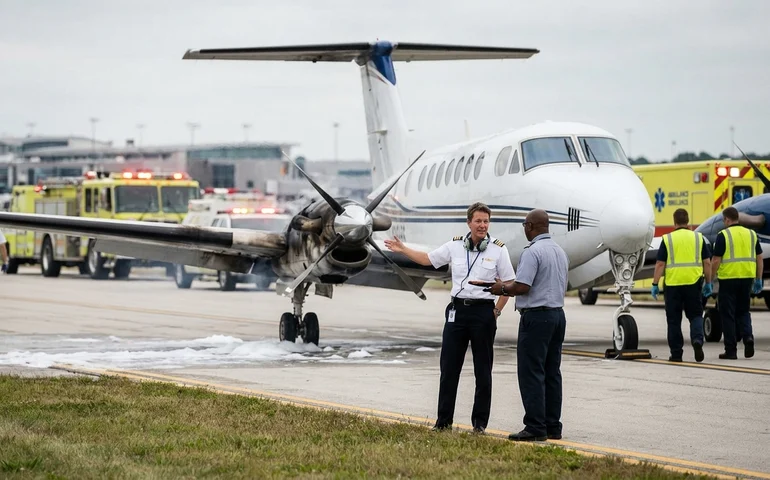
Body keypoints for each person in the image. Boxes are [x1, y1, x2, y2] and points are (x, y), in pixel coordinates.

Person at [384, 202, 515, 434]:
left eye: (486, 221)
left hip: (483, 313)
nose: (482, 225)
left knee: (482, 371)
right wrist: (403, 249)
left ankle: (479, 424)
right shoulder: (455, 246)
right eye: (478, 221)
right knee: (449, 369)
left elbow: (508, 285)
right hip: (457, 312)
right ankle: (443, 422)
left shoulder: (498, 249)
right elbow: (428, 259)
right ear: (469, 222)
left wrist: (496, 311)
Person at [472, 209, 568, 442]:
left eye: (525, 225)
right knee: (552, 372)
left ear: (531, 226)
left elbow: (523, 286)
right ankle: (553, 425)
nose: (524, 229)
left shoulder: (532, 252)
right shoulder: (559, 251)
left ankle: (535, 426)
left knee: (531, 372)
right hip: (557, 315)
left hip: (536, 317)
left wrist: (500, 289)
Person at [651, 208, 711, 363]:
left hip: (673, 285)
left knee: (674, 320)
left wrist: (655, 283)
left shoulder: (667, 239)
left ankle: (676, 354)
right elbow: (707, 262)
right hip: (693, 283)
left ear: (674, 221)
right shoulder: (698, 238)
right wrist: (709, 282)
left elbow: (660, 264)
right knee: (696, 315)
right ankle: (697, 340)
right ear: (688, 221)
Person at [707, 206, 763, 359]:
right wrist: (758, 278)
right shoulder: (751, 234)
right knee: (743, 312)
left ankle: (731, 350)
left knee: (727, 315)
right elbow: (759, 258)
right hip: (747, 280)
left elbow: (716, 260)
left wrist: (709, 280)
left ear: (726, 219)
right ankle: (748, 337)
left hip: (728, 281)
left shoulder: (723, 235)